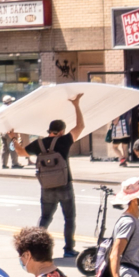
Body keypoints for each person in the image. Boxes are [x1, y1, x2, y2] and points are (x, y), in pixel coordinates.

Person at [29, 100, 88, 258]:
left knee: (45, 217)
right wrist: (76, 105)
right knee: (69, 218)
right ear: (62, 131)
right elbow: (80, 126)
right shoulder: (64, 141)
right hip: (64, 184)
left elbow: (21, 153)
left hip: (46, 187)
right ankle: (68, 249)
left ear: (49, 130)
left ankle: (36, 248)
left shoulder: (38, 143)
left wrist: (14, 139)